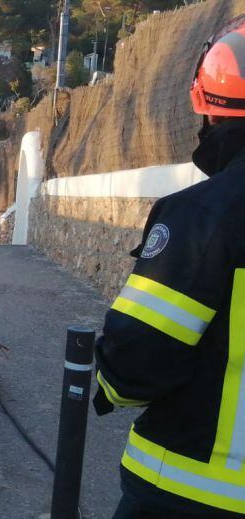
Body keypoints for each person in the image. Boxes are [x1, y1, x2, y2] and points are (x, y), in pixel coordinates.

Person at [94, 16, 245, 517]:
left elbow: (138, 364)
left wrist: (108, 382)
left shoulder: (207, 215)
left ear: (212, 110)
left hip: (194, 488)